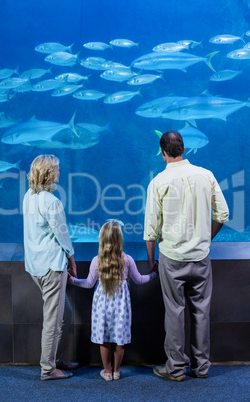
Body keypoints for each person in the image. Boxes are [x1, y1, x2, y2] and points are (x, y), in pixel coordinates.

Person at [144, 131, 229, 382]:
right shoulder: (207, 176)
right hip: (200, 256)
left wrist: (152, 263)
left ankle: (176, 369)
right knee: (201, 312)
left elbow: (150, 231)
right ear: (184, 148)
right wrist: (205, 239)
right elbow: (222, 214)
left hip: (171, 257)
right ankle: (202, 368)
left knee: (174, 312)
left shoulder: (158, 182)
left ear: (162, 153)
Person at [69, 220, 157, 381]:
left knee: (104, 339)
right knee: (120, 339)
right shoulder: (127, 259)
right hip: (122, 305)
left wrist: (72, 280)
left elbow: (88, 283)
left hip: (102, 306)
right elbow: (139, 280)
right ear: (120, 239)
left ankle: (107, 371)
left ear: (102, 239)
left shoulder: (97, 260)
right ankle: (117, 371)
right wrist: (154, 274)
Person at [23, 154, 78, 381]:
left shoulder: (28, 196)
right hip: (52, 267)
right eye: (56, 169)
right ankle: (48, 369)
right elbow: (63, 237)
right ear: (48, 173)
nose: (59, 172)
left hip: (36, 265)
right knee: (53, 322)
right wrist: (72, 262)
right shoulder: (52, 202)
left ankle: (56, 358)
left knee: (65, 315)